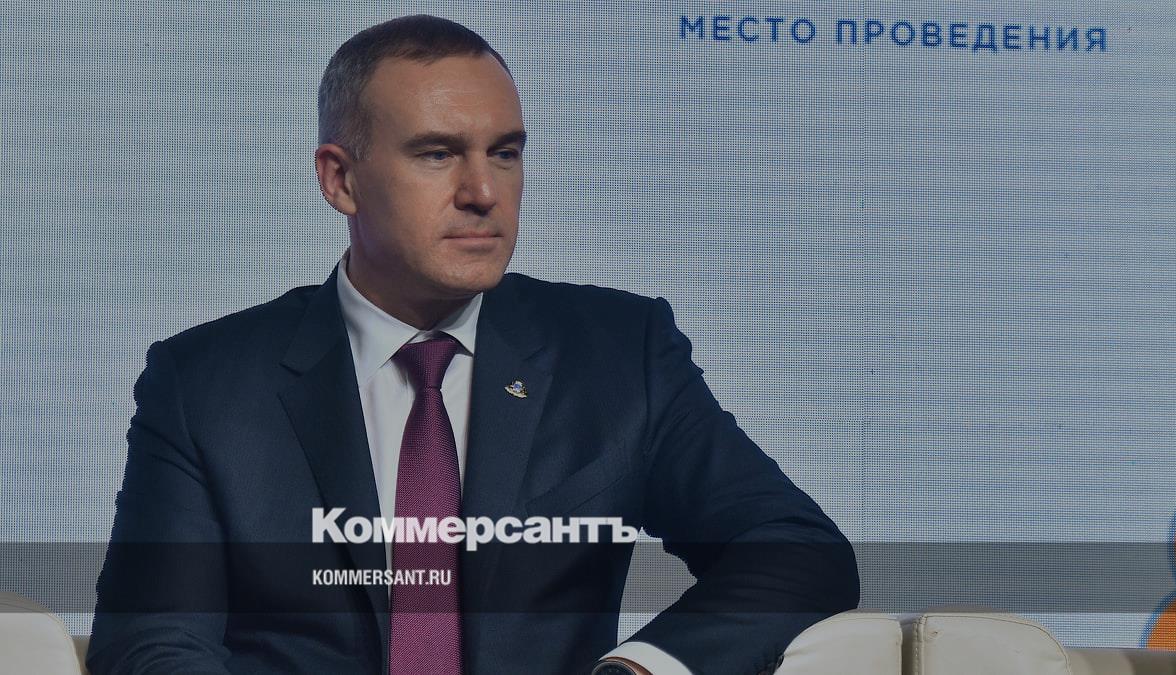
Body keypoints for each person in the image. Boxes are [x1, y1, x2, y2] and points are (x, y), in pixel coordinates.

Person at [88, 14, 858, 675]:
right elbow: (153, 637)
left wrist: (640, 669)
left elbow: (793, 548)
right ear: (340, 179)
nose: (484, 192)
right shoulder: (204, 383)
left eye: (505, 152)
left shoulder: (620, 354)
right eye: (437, 153)